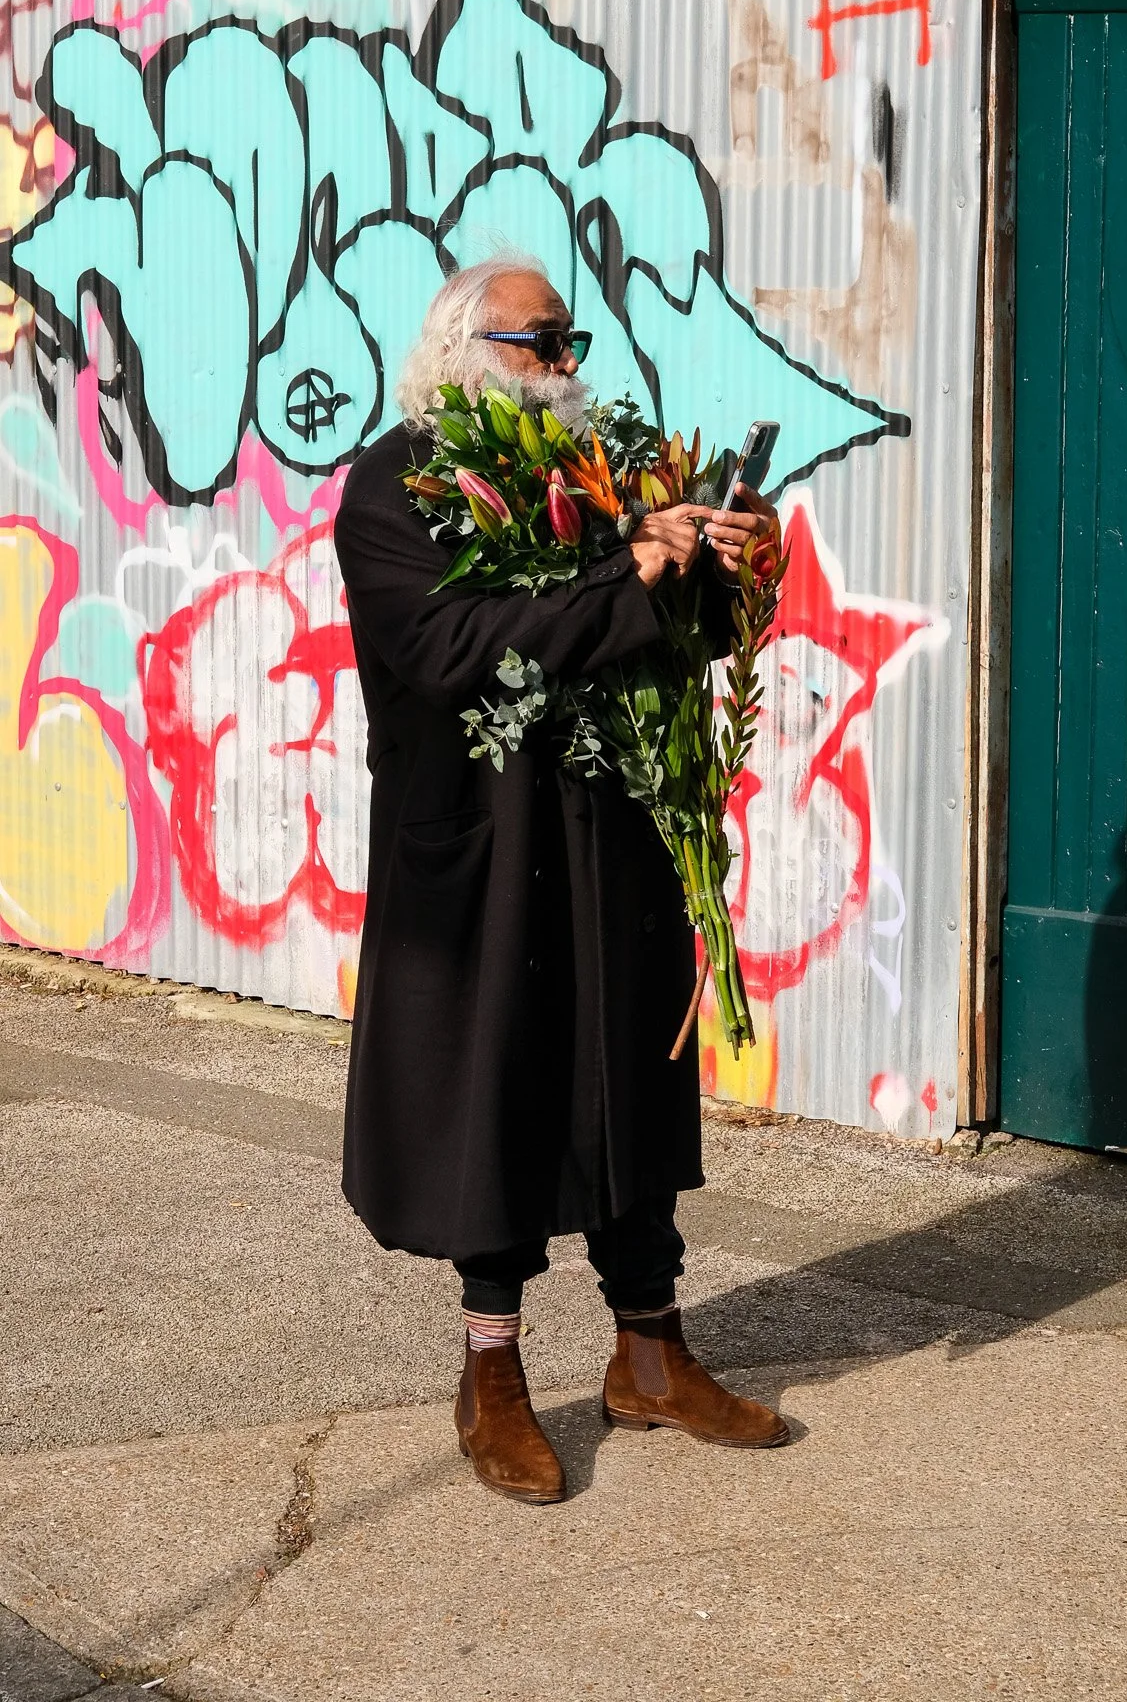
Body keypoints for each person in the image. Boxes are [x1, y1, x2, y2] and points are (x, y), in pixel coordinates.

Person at [333, 254, 791, 1504]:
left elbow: (667, 634)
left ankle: (650, 1348)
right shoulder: (395, 487)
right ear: (469, 347)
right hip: (482, 846)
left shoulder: (598, 481)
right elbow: (451, 649)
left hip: (608, 833)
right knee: (504, 1092)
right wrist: (624, 573)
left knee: (627, 1086)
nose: (570, 364)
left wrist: (716, 558)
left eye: (574, 340)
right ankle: (492, 1373)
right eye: (547, 341)